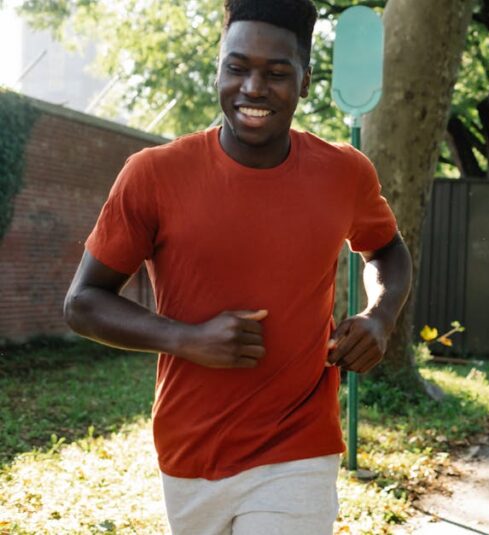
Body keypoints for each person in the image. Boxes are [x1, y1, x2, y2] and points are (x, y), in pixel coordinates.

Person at [63, 1, 412, 532]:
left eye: (276, 73)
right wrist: (186, 338)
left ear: (306, 83)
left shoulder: (343, 174)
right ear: (219, 69)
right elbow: (82, 303)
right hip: (190, 447)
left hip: (299, 444)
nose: (253, 88)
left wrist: (380, 315)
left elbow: (386, 249)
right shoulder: (153, 175)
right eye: (237, 67)